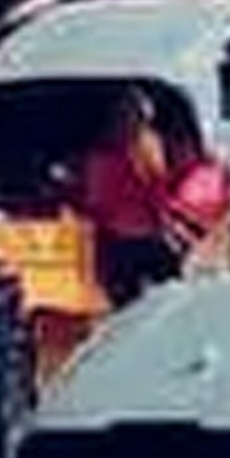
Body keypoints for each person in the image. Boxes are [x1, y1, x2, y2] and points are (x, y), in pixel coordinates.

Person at [72, 83, 219, 302]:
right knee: (155, 304)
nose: (137, 120)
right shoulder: (111, 155)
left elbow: (155, 188)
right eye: (133, 114)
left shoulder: (140, 146)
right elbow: (146, 192)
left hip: (137, 241)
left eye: (139, 114)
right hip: (130, 242)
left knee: (152, 306)